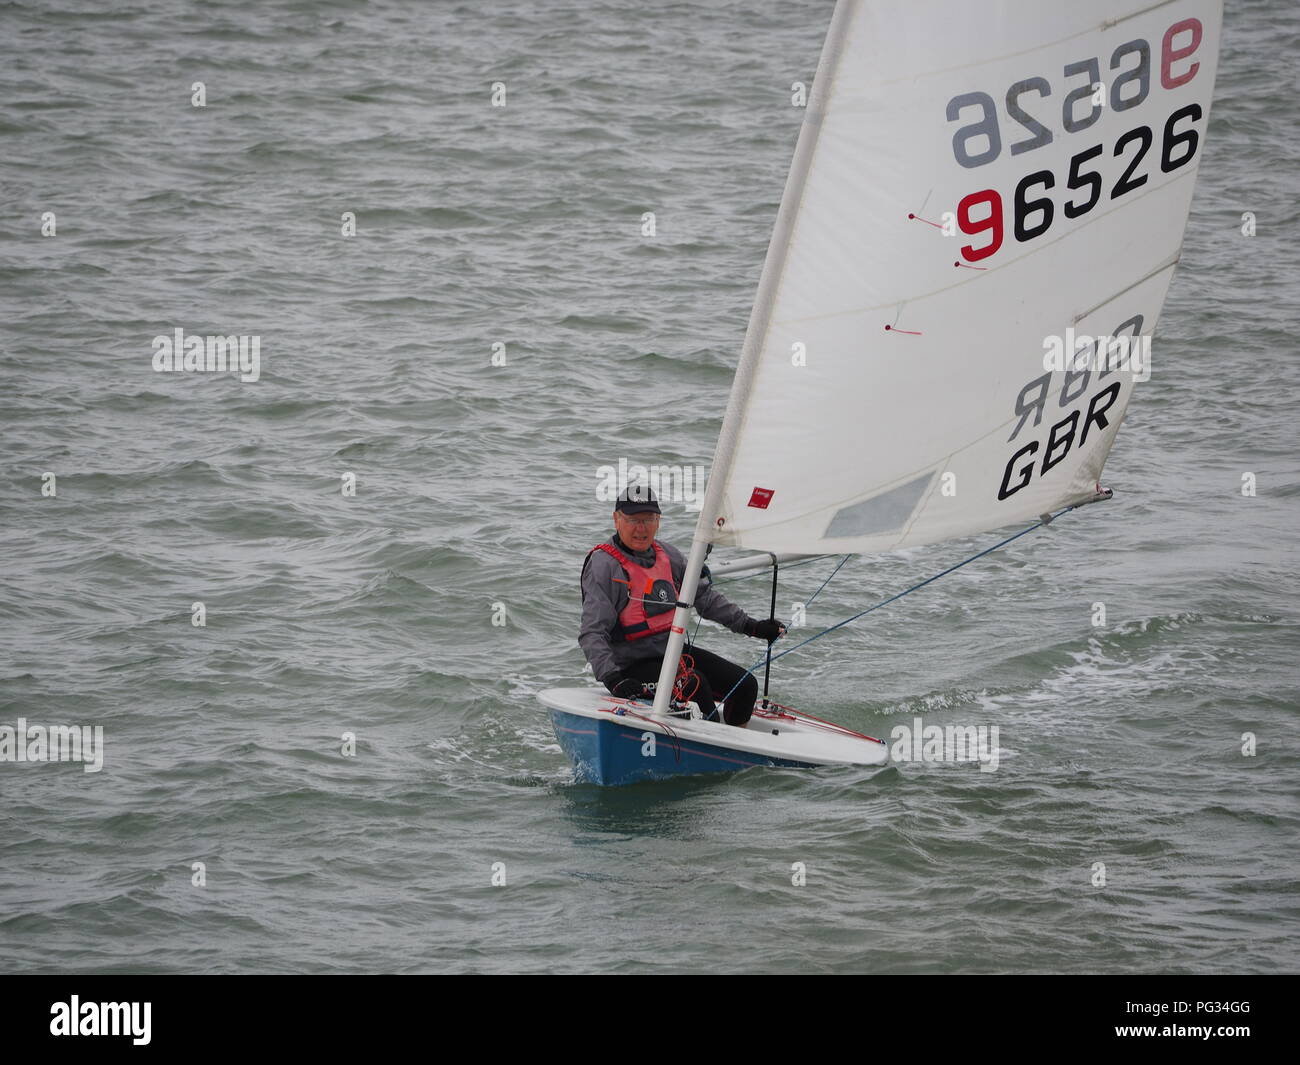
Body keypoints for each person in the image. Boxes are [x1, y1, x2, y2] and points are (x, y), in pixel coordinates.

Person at [579, 486, 786, 726]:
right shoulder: (604, 565)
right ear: (616, 519)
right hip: (629, 665)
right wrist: (613, 679)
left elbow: (705, 599)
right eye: (633, 519)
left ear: (658, 521)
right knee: (694, 686)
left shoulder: (669, 555)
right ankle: (713, 749)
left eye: (648, 519)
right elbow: (592, 633)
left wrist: (752, 627)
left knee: (745, 685)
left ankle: (738, 746)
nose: (641, 528)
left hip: (672, 653)